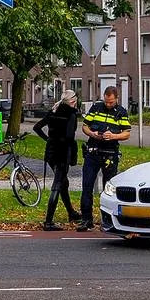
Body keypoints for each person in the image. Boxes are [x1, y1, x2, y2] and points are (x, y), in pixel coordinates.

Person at [76, 86, 131, 232]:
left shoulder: (121, 112)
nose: (108, 105)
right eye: (106, 102)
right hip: (93, 152)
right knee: (87, 185)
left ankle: (107, 220)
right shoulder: (96, 108)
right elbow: (84, 126)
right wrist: (93, 134)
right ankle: (86, 219)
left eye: (111, 102)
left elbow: (126, 133)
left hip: (110, 154)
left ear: (116, 99)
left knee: (109, 189)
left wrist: (113, 136)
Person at [33, 89, 82, 231]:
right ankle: (48, 222)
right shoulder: (71, 115)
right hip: (62, 153)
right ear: (73, 101)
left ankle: (71, 213)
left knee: (63, 183)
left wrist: (48, 139)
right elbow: (69, 137)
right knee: (58, 184)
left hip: (51, 152)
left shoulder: (54, 111)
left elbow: (37, 127)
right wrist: (71, 151)